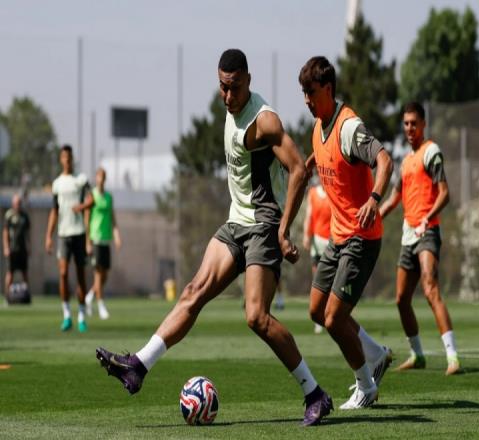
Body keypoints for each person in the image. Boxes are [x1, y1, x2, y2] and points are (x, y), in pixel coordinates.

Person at [96, 49, 332, 426]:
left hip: (263, 224)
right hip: (236, 221)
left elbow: (299, 170)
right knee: (193, 291)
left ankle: (314, 393)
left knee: (256, 317)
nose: (227, 95)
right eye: (222, 87)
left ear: (248, 81)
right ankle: (138, 366)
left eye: (235, 87)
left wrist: (284, 229)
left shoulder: (263, 121)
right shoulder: (228, 105)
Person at [298, 56, 393, 409]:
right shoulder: (318, 127)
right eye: (303, 93)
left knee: (334, 318)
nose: (306, 100)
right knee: (316, 310)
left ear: (327, 89)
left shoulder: (349, 127)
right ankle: (376, 354)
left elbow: (385, 161)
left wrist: (374, 199)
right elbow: (324, 154)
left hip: (361, 237)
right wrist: (309, 163)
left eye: (310, 92)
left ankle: (366, 386)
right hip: (338, 237)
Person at [379, 102, 461, 376]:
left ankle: (453, 357)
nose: (409, 128)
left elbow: (444, 193)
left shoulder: (431, 152)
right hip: (408, 234)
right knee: (401, 299)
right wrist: (375, 214)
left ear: (423, 124)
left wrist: (428, 217)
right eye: (406, 123)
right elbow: (394, 198)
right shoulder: (405, 161)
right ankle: (417, 354)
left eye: (414, 123)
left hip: (428, 231)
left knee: (430, 288)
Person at [45, 144, 90, 333]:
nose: (67, 160)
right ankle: (66, 315)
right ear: (61, 159)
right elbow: (54, 210)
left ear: (72, 159)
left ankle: (82, 316)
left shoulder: (81, 180)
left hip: (79, 233)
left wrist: (82, 207)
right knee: (63, 273)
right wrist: (48, 235)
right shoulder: (57, 184)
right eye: (64, 157)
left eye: (70, 157)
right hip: (63, 234)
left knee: (80, 275)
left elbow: (91, 199)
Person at [74, 167, 121, 320]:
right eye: (99, 177)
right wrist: (88, 241)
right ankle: (101, 306)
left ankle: (89, 296)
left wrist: (117, 235)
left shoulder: (108, 197)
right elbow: (87, 218)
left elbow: (113, 218)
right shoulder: (92, 195)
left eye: (103, 177)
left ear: (105, 179)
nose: (101, 179)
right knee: (98, 275)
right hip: (95, 239)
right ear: (96, 178)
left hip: (106, 239)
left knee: (104, 275)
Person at [302, 178, 331, 334]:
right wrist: (306, 235)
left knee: (333, 282)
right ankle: (319, 318)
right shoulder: (313, 193)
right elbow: (309, 215)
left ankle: (333, 314)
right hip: (317, 242)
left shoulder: (333, 192)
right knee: (317, 280)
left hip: (332, 241)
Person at [3, 194, 30, 302]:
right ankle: (7, 296)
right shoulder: (9, 215)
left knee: (25, 273)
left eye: (19, 203)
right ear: (13, 204)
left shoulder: (24, 216)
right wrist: (6, 247)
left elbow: (28, 233)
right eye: (16, 203)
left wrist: (29, 246)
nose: (18, 205)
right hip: (12, 249)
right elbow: (5, 232)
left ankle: (27, 296)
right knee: (10, 273)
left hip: (22, 249)